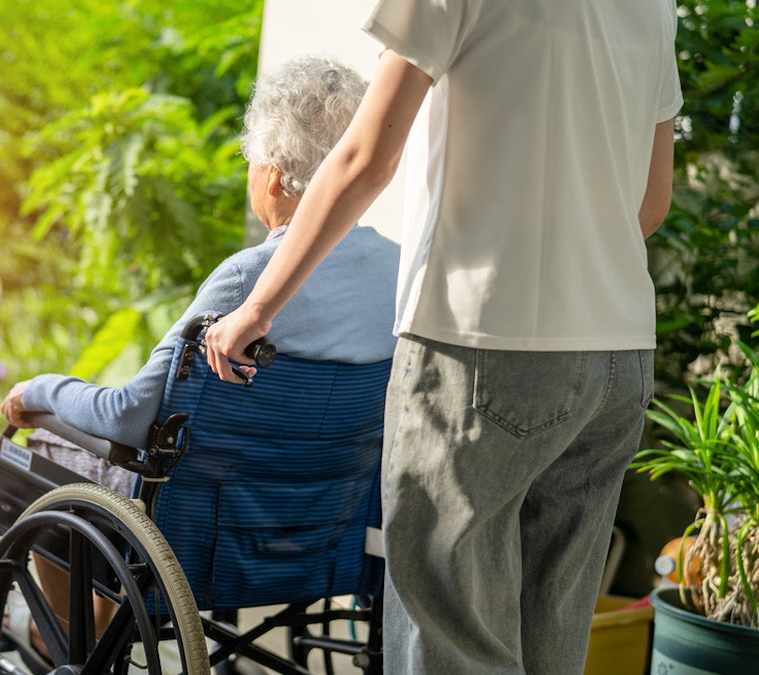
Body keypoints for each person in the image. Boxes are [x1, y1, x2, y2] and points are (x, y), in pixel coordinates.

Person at [203, 2, 682, 674]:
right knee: (552, 633)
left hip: (483, 346)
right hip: (616, 358)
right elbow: (652, 200)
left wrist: (256, 307)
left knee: (452, 638)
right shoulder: (655, 6)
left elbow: (366, 157)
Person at [0, 54, 400, 656]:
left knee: (35, 457)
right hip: (321, 534)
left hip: (200, 533)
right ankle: (99, 625)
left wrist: (40, 390)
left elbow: (129, 416)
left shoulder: (251, 281)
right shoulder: (401, 272)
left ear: (270, 176)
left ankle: (64, 641)